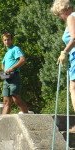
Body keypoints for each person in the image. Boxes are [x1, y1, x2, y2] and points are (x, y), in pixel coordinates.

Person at [51, 0, 75, 132]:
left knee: (74, 88)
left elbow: (74, 37)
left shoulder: (72, 17)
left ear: (63, 11)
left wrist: (64, 52)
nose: (59, 17)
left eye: (58, 14)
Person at [1, 33, 29, 114]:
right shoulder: (7, 53)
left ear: (12, 40)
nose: (7, 41)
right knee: (6, 102)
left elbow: (22, 60)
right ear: (3, 41)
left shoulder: (15, 49)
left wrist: (12, 68)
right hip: (6, 78)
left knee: (16, 99)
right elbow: (2, 63)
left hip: (14, 76)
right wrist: (4, 70)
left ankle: (28, 117)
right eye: (5, 40)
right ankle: (3, 123)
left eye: (8, 39)